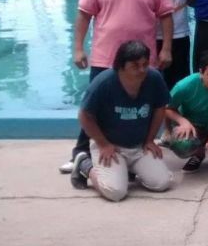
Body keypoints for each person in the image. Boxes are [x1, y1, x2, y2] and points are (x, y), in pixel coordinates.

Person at [62, 0, 174, 183]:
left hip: (141, 60)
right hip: (105, 56)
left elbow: (165, 15)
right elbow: (84, 14)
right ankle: (81, 154)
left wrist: (165, 48)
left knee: (141, 107)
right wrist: (78, 47)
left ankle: (135, 156)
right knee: (95, 106)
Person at [72, 40, 172, 201]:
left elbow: (160, 108)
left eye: (145, 64)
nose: (142, 70)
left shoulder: (154, 78)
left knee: (162, 183)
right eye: (135, 66)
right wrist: (103, 144)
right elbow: (84, 115)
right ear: (121, 66)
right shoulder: (103, 83)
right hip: (111, 146)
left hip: (139, 146)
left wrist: (150, 140)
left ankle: (129, 169)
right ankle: (85, 165)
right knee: (115, 192)